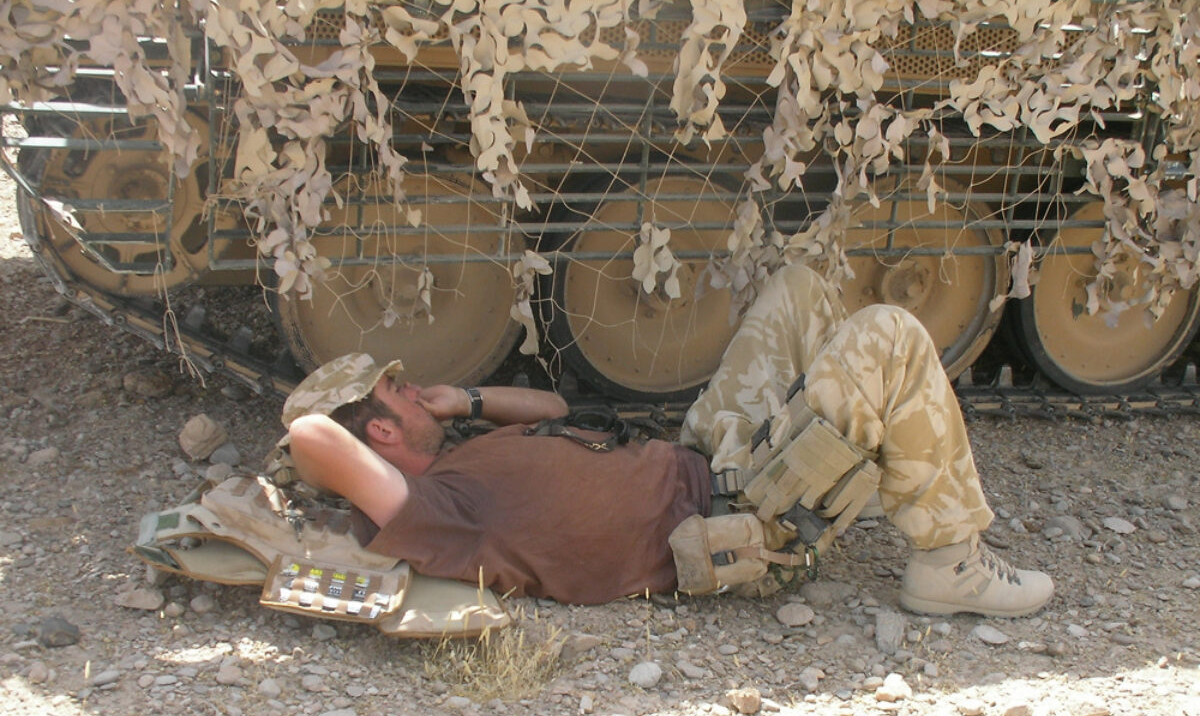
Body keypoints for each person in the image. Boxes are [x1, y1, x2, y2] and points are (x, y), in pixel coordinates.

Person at [282, 263, 1053, 616]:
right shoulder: (432, 508)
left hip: (708, 455)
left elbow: (552, 401)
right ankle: (951, 561)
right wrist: (349, 433)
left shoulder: (464, 455)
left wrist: (464, 400)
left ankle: (877, 458)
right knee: (889, 333)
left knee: (801, 287)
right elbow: (314, 434)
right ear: (379, 432)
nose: (415, 386)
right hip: (744, 516)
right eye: (399, 393)